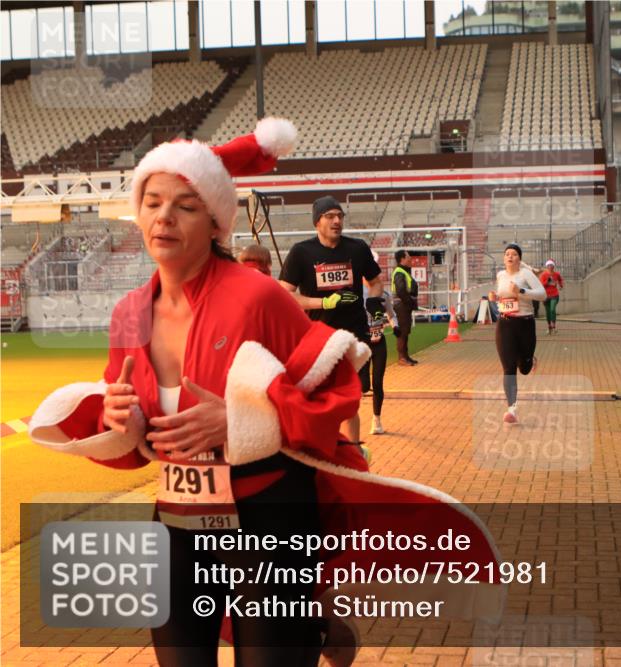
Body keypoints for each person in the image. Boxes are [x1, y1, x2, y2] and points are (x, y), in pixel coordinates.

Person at [28, 120, 506, 667]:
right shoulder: (128, 313)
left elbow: (335, 388)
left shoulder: (258, 298)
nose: (164, 216)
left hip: (270, 521)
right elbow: (133, 432)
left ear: (214, 222)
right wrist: (124, 424)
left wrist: (240, 423)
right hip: (177, 521)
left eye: (185, 205)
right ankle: (318, 628)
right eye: (153, 201)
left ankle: (313, 625)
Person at [278, 196, 383, 446]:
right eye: (330, 216)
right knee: (318, 400)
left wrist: (373, 301)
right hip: (317, 338)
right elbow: (284, 294)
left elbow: (376, 281)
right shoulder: (301, 252)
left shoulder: (357, 248)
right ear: (317, 222)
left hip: (353, 336)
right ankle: (320, 450)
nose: (337, 221)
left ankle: (351, 452)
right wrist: (322, 303)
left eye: (340, 216)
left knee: (349, 399)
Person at [487, 243, 546, 425]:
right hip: (505, 324)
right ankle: (511, 409)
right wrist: (495, 298)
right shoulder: (500, 275)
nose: (510, 257)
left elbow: (542, 294)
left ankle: (529, 359)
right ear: (504, 259)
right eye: (507, 254)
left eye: (513, 254)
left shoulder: (525, 274)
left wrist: (521, 292)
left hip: (525, 323)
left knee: (524, 369)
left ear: (519, 258)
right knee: (508, 368)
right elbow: (503, 294)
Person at [362, 250, 399, 437]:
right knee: (362, 385)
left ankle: (376, 419)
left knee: (377, 382)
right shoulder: (354, 293)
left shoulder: (383, 294)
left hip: (379, 342)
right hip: (361, 343)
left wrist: (395, 326)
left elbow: (391, 314)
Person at [391, 249, 419, 366]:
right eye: (408, 257)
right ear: (402, 259)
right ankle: (402, 358)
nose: (410, 259)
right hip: (402, 305)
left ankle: (405, 356)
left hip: (404, 304)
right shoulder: (399, 272)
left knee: (405, 331)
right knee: (402, 332)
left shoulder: (403, 271)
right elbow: (401, 291)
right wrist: (410, 302)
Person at [538, 259, 564, 335]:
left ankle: (554, 325)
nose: (550, 267)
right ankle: (549, 327)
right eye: (548, 265)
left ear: (553, 266)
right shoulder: (543, 275)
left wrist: (561, 285)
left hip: (554, 295)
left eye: (551, 265)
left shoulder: (556, 274)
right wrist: (548, 281)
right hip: (546, 296)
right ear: (547, 266)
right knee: (548, 312)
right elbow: (541, 285)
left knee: (552, 309)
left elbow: (560, 279)